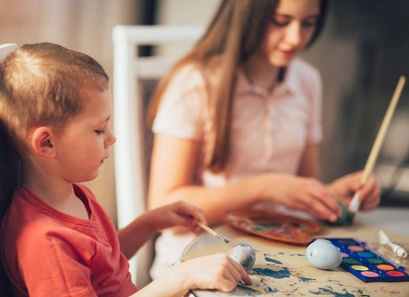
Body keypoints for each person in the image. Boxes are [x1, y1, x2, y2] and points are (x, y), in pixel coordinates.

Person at [0, 42, 251, 297]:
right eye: (98, 130)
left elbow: (105, 266)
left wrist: (150, 222)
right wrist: (181, 278)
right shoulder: (45, 242)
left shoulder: (76, 196)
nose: (111, 138)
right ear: (47, 143)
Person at [147, 0, 381, 279]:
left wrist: (330, 197)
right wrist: (265, 188)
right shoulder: (196, 82)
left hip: (281, 260)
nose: (296, 37)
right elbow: (163, 209)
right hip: (195, 262)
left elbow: (304, 185)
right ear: (247, 15)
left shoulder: (307, 80)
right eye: (281, 21)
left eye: (308, 23)